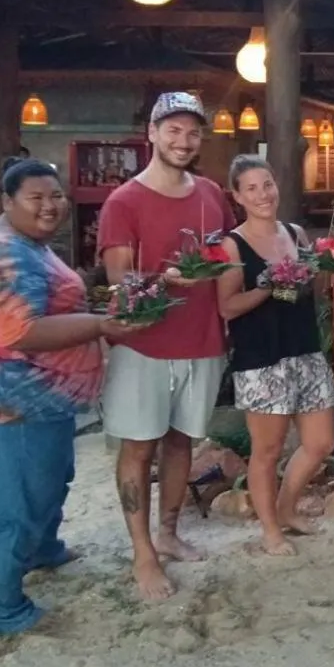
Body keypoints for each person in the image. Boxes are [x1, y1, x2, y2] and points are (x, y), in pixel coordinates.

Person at [0, 158, 132, 635]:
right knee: (11, 504)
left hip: (41, 399)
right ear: (8, 202)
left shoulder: (30, 244)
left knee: (50, 480)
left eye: (56, 196)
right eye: (36, 197)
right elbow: (22, 330)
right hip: (8, 399)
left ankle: (41, 550)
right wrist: (100, 324)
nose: (49, 206)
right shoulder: (3, 253)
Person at [97, 92, 236, 600]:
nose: (183, 141)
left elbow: (224, 253)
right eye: (173, 130)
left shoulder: (210, 193)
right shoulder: (123, 202)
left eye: (193, 132)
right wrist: (164, 280)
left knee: (182, 442)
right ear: (151, 133)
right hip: (145, 345)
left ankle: (169, 533)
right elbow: (120, 282)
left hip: (202, 341)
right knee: (139, 447)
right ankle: (142, 554)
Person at [217, 155, 334, 556]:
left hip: (304, 349)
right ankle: (270, 530)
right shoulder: (231, 245)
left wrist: (324, 267)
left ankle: (286, 509)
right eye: (251, 188)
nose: (262, 194)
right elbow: (227, 307)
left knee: (321, 442)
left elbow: (310, 289)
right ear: (237, 196)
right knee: (267, 451)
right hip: (262, 358)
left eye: (267, 184)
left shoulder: (295, 232)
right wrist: (269, 285)